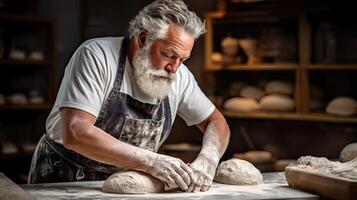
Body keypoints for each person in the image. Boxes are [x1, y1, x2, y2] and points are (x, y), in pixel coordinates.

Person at [28, 0, 230, 192]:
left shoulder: (180, 76)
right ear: (143, 39)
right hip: (65, 177)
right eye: (169, 54)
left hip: (127, 183)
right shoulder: (97, 56)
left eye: (182, 59)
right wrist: (151, 161)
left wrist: (208, 159)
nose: (174, 68)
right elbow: (76, 132)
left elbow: (216, 121)